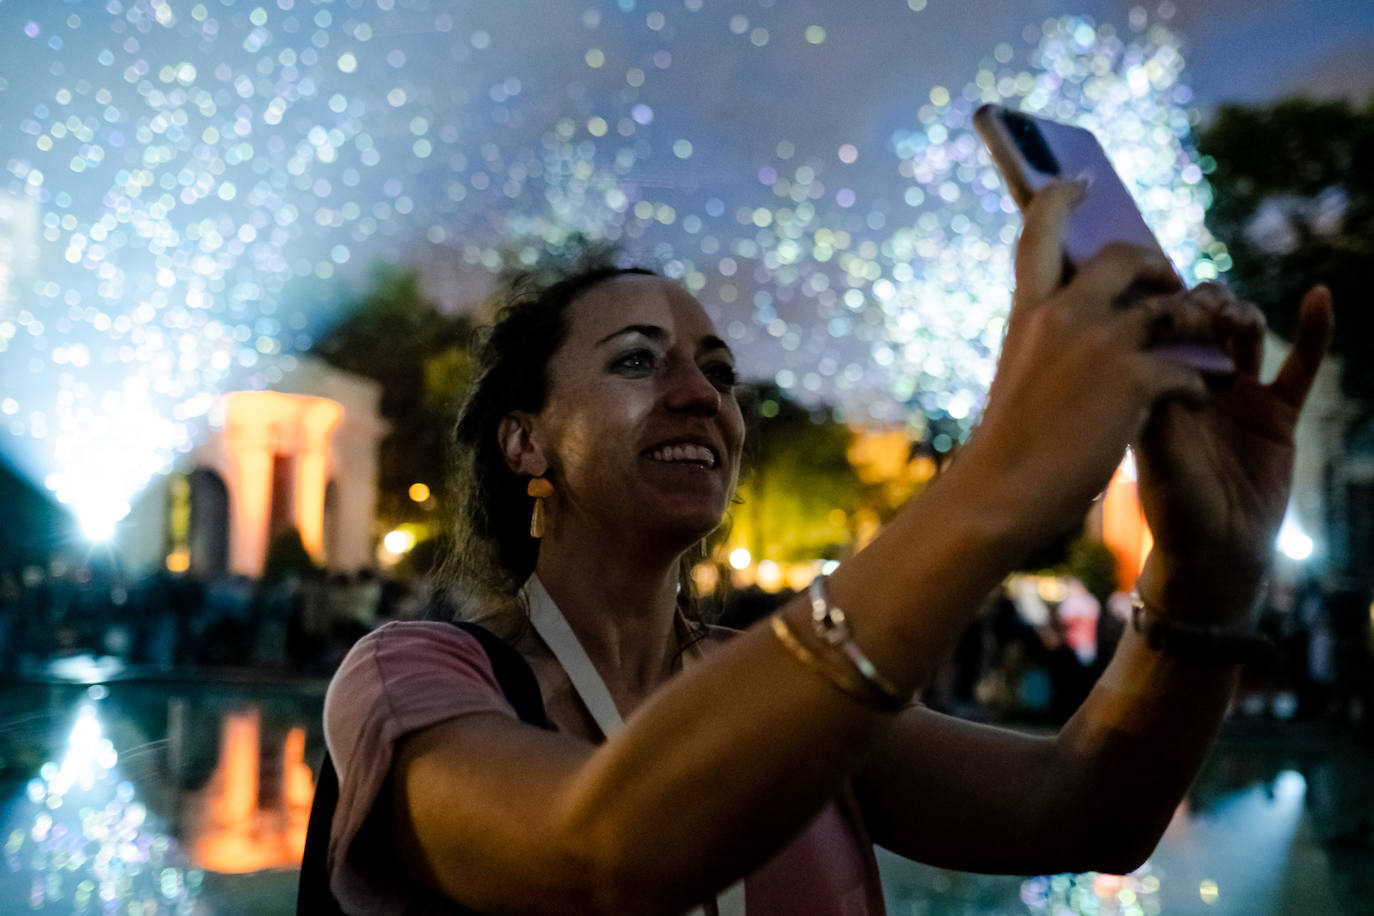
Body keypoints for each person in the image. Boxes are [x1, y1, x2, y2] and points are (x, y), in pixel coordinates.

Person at [322, 180, 1333, 915]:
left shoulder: (781, 698)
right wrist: (999, 476)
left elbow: (1093, 811)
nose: (698, 393)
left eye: (718, 372)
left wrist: (1210, 572)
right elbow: (603, 852)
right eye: (638, 360)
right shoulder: (416, 676)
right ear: (525, 440)